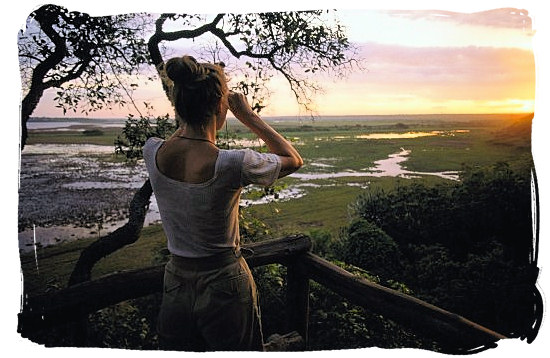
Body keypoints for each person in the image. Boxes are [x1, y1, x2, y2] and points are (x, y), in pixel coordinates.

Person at [143, 55, 303, 351]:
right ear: (221, 106)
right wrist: (249, 116)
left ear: (178, 104)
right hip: (224, 283)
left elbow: (182, 136)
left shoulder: (151, 151)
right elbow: (293, 159)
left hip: (176, 281)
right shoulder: (231, 163)